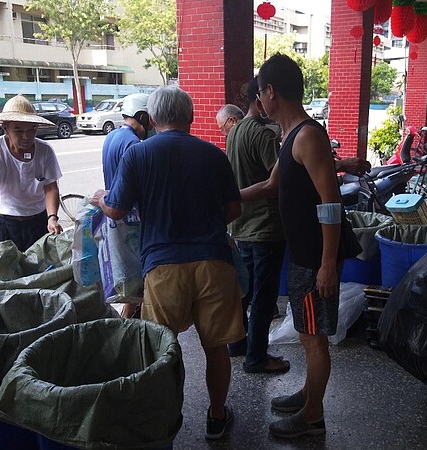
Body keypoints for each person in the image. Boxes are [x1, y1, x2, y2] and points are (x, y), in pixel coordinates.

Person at [92, 85, 245, 440]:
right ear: (190, 117)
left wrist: (100, 198)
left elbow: (115, 208)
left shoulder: (139, 154)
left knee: (163, 347)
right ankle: (217, 416)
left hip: (162, 268)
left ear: (152, 118)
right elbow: (234, 209)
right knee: (216, 346)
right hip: (214, 263)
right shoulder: (213, 153)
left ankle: (164, 420)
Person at [240, 53, 343, 438]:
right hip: (301, 255)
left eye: (259, 92)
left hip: (316, 258)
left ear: (270, 91)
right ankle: (308, 394)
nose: (258, 100)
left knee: (314, 340)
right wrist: (227, 198)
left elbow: (331, 204)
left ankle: (312, 417)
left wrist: (328, 264)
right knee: (305, 334)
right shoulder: (290, 136)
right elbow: (270, 186)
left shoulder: (309, 135)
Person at [225, 76, 289, 374]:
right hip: (264, 227)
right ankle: (257, 358)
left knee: (245, 292)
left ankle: (237, 343)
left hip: (241, 225)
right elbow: (276, 182)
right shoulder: (262, 135)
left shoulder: (234, 132)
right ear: (257, 99)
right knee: (263, 297)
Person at [0, 95, 63, 252]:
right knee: (6, 273)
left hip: (38, 221)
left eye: (32, 130)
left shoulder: (45, 150)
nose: (26, 137)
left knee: (40, 272)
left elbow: (50, 187)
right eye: (18, 130)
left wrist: (52, 218)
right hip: (4, 222)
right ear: (5, 128)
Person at [101, 92, 150, 319]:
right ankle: (131, 328)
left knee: (130, 281)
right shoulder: (132, 143)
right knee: (137, 280)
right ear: (142, 116)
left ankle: (127, 321)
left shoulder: (112, 137)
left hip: (116, 218)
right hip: (129, 218)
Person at [102, 93, 150, 189]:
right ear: (143, 118)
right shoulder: (133, 142)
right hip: (125, 202)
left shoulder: (111, 135)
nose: (151, 126)